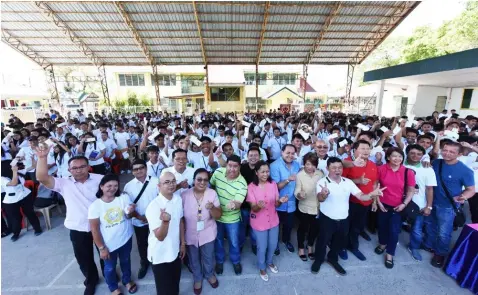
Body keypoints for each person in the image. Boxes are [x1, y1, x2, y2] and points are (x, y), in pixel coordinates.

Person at [36, 147, 104, 295]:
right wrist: (42, 158)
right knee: (84, 258)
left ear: (88, 167)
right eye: (74, 168)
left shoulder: (100, 179)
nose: (78, 170)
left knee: (105, 253)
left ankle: (109, 274)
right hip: (78, 227)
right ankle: (91, 281)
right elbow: (42, 178)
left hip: (101, 226)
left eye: (82, 167)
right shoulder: (63, 183)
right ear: (69, 169)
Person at [311, 157, 385, 275]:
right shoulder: (322, 182)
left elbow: (361, 196)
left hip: (344, 218)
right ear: (327, 168)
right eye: (333, 167)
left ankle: (333, 259)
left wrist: (371, 194)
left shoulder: (348, 182)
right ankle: (318, 260)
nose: (337, 170)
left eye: (340, 167)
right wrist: (324, 194)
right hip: (327, 219)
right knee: (322, 241)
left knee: (339, 241)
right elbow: (320, 199)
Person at [423, 141, 475, 268]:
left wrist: (463, 196)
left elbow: (471, 189)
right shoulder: (436, 163)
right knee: (430, 225)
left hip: (447, 206)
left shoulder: (465, 170)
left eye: (452, 152)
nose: (447, 153)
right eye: (445, 150)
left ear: (459, 154)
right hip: (430, 201)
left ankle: (440, 253)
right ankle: (429, 244)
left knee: (443, 232)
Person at [88, 174, 137, 295]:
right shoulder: (95, 206)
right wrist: (101, 248)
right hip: (109, 244)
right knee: (110, 268)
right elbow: (94, 229)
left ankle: (127, 280)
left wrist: (131, 211)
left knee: (126, 261)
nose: (112, 188)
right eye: (109, 185)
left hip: (126, 238)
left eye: (115, 185)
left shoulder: (123, 198)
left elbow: (128, 216)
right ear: (101, 187)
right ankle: (113, 287)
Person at [181, 168, 222, 294]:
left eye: (205, 180)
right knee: (193, 258)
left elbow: (218, 215)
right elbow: (180, 219)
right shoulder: (184, 195)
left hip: (208, 232)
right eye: (199, 179)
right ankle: (197, 278)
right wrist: (182, 240)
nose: (202, 182)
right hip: (190, 233)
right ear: (194, 180)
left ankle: (209, 274)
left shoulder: (212, 194)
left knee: (208, 256)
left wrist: (212, 208)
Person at [374, 147, 416, 269]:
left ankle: (390, 254)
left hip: (399, 206)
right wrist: (378, 202)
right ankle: (382, 244)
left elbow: (411, 190)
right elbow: (376, 186)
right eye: (394, 156)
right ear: (388, 157)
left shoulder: (408, 172)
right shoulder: (381, 169)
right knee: (382, 227)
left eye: (400, 156)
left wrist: (404, 204)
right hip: (383, 204)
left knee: (394, 230)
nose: (397, 159)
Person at [145, 172, 186, 295]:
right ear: (159, 186)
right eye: (166, 182)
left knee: (175, 284)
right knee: (164, 290)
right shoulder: (153, 206)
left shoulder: (178, 199)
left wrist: (183, 243)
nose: (171, 184)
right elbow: (160, 236)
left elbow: (180, 221)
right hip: (160, 255)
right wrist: (165, 221)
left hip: (174, 251)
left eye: (173, 181)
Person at [340, 140, 378, 261]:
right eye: (362, 148)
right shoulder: (348, 163)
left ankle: (354, 247)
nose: (366, 151)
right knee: (345, 227)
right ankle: (341, 247)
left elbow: (375, 183)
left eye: (368, 148)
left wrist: (375, 201)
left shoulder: (372, 165)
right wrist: (358, 181)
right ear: (355, 150)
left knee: (357, 227)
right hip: (349, 201)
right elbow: (340, 181)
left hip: (365, 202)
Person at [247, 161, 285, 281]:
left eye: (267, 171)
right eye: (262, 171)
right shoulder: (251, 187)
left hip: (273, 220)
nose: (265, 174)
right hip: (259, 222)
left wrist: (281, 201)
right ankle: (262, 267)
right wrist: (258, 206)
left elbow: (276, 203)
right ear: (256, 172)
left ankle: (269, 262)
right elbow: (253, 208)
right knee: (262, 247)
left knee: (273, 244)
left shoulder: (273, 184)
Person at [210, 155, 247, 275]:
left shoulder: (242, 183)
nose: (232, 169)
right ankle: (219, 261)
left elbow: (238, 202)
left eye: (235, 166)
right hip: (217, 215)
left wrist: (234, 205)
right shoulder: (218, 173)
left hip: (232, 218)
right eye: (230, 165)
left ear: (239, 167)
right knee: (218, 240)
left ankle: (236, 261)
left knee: (234, 242)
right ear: (226, 165)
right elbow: (210, 186)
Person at [123, 159, 159, 279]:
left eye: (141, 168)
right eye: (135, 169)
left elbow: (161, 201)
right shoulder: (128, 186)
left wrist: (152, 217)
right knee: (142, 243)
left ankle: (156, 260)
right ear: (132, 171)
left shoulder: (156, 182)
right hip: (139, 221)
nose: (139, 171)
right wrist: (139, 217)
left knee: (157, 240)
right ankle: (144, 262)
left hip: (155, 220)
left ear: (146, 168)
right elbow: (127, 207)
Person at [403, 144, 436, 262]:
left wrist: (429, 206)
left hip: (419, 204)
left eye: (419, 154)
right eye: (412, 153)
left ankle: (414, 247)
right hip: (399, 202)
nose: (415, 156)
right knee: (394, 226)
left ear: (423, 156)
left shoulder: (427, 169)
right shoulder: (400, 165)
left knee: (417, 230)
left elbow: (429, 189)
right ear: (407, 153)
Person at [270, 144, 300, 254]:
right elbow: (275, 186)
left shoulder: (297, 165)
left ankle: (286, 241)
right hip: (278, 202)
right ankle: (275, 244)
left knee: (289, 225)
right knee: (275, 226)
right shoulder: (274, 166)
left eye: (293, 153)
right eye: (288, 153)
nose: (290, 155)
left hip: (291, 202)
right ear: (282, 152)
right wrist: (288, 180)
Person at [1, 161, 42, 241]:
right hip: (11, 200)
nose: (14, 166)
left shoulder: (18, 172)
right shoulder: (2, 178)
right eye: (12, 165)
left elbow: (32, 167)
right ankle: (16, 233)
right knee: (16, 218)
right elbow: (14, 183)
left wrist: (32, 159)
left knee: (30, 213)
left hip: (24, 195)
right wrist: (15, 171)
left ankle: (37, 229)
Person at [294, 152, 324, 261]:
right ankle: (301, 248)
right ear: (304, 164)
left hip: (317, 207)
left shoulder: (320, 174)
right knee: (303, 228)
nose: (310, 167)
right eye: (307, 164)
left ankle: (310, 246)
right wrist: (299, 194)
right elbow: (297, 189)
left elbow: (324, 187)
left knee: (315, 229)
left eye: (312, 164)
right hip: (304, 207)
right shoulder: (299, 175)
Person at [239, 147, 260, 254]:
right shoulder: (242, 168)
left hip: (257, 205)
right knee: (242, 227)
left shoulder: (262, 168)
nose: (253, 157)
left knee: (254, 228)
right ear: (247, 157)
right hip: (243, 205)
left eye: (255, 155)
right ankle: (241, 244)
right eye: (251, 155)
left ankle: (254, 245)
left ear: (259, 157)